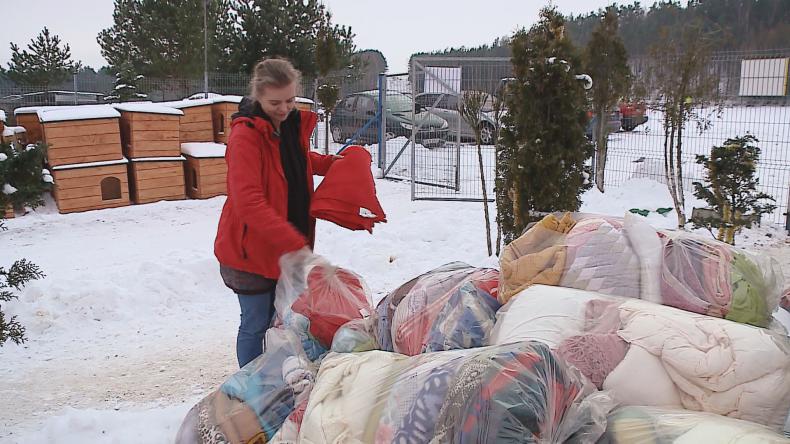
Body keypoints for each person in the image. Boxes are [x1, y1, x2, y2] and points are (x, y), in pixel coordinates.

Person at [214, 58, 338, 368]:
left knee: (280, 321)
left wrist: (331, 164)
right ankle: (249, 387)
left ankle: (273, 378)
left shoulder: (287, 125)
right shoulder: (245, 136)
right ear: (257, 96)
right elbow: (249, 202)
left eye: (290, 100)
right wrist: (294, 243)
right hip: (250, 254)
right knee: (255, 324)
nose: (284, 108)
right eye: (274, 102)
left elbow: (294, 158)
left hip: (283, 250)